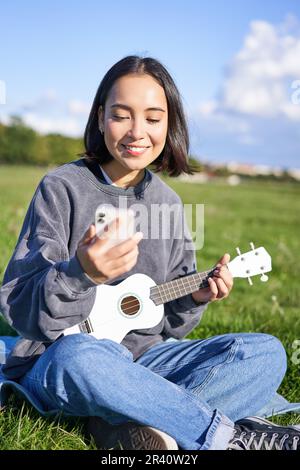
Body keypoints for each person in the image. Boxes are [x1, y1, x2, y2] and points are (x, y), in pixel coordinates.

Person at [0, 55, 299, 451]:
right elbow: (19, 308)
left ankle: (122, 420)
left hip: (148, 362)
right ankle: (226, 435)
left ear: (169, 124)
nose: (137, 131)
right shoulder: (62, 188)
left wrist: (195, 297)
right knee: (80, 357)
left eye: (153, 119)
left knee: (265, 353)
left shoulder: (169, 203)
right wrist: (80, 273)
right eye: (122, 115)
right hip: (65, 357)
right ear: (100, 116)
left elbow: (170, 327)